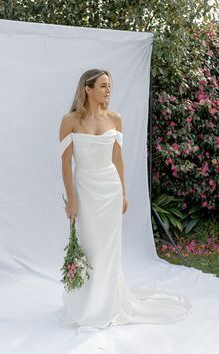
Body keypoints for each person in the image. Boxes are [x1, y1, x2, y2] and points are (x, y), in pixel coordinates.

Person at [58, 69, 192, 331]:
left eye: (110, 86)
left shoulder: (115, 119)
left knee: (109, 249)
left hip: (110, 190)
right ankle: (85, 303)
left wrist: (124, 192)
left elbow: (117, 159)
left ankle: (108, 303)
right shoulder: (70, 120)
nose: (108, 91)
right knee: (87, 245)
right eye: (103, 86)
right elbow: (65, 163)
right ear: (88, 89)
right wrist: (71, 199)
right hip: (85, 189)